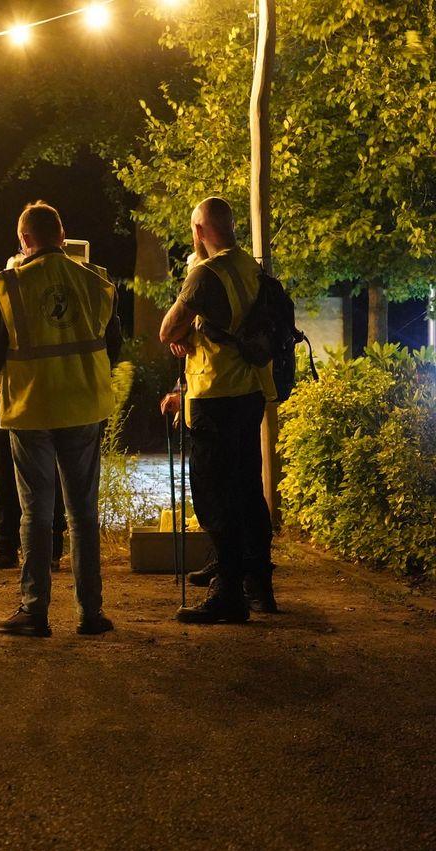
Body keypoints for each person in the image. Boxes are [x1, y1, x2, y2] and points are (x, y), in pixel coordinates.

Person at [0, 201, 122, 637]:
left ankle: (34, 610)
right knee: (82, 513)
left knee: (35, 513)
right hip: (83, 407)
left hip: (31, 409)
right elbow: (113, 346)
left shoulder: (7, 285)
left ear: (24, 241)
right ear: (62, 236)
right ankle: (90, 614)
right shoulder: (95, 282)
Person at [159, 197, 278, 623]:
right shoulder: (250, 266)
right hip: (249, 394)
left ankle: (227, 593)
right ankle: (259, 586)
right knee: (247, 490)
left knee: (215, 495)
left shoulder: (205, 274)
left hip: (215, 397)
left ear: (199, 231)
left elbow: (167, 329)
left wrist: (186, 332)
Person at [0, 373, 67, 572]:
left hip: (17, 403)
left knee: (8, 480)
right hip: (52, 404)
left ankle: (8, 547)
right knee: (49, 480)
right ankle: (45, 551)